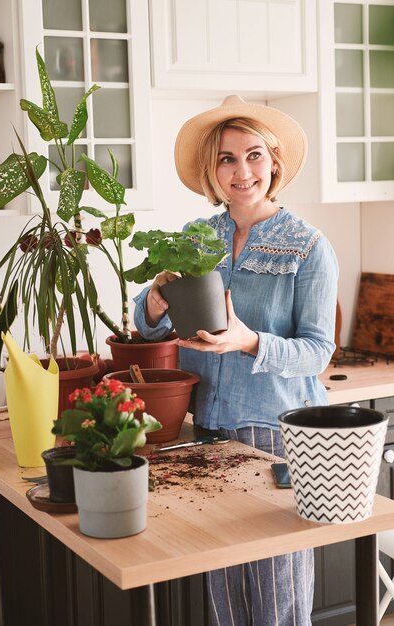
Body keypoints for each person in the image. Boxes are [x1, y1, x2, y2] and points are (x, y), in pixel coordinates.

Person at [133, 95, 339, 626]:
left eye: (253, 155)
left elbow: (317, 352)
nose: (241, 171)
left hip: (277, 434)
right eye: (227, 158)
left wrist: (251, 342)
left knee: (278, 595)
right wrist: (153, 302)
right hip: (209, 429)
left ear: (274, 163)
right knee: (225, 593)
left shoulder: (308, 246)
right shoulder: (196, 239)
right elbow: (152, 326)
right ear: (212, 168)